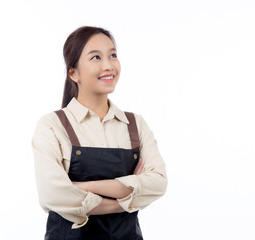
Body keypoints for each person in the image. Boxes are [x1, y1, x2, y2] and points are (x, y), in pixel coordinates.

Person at [31, 26, 168, 240]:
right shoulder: (52, 126)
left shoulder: (135, 125)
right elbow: (53, 195)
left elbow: (158, 183)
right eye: (96, 57)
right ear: (73, 73)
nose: (108, 65)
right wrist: (124, 198)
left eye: (113, 55)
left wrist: (85, 187)